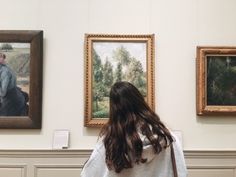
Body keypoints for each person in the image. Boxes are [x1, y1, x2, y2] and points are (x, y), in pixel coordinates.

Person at [81, 81, 187, 177]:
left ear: (114, 110)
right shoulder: (168, 138)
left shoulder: (110, 142)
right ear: (140, 102)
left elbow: (88, 173)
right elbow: (181, 172)